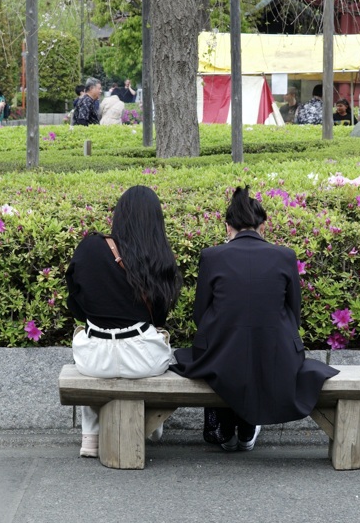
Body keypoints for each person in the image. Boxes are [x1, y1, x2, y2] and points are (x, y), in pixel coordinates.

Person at [172, 186, 339, 451]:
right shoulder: (285, 256)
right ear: (263, 226)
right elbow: (293, 313)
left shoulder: (212, 256)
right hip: (275, 352)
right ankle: (249, 425)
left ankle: (225, 430)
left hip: (222, 354)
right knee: (254, 354)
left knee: (213, 355)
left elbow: (200, 314)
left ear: (228, 227)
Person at [65, 185, 183, 458]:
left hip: (93, 360)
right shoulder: (160, 257)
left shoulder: (91, 247)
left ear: (119, 215)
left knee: (88, 335)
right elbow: (160, 318)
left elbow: (76, 305)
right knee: (159, 341)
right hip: (143, 360)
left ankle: (90, 437)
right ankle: (145, 427)